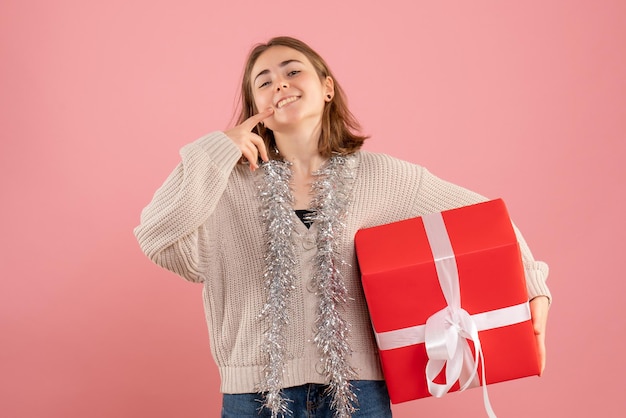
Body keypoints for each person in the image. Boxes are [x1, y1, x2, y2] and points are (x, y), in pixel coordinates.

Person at [134, 36, 551, 418]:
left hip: (359, 394)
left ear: (327, 88)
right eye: (264, 81)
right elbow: (156, 235)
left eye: (293, 70)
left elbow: (483, 218)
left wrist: (533, 286)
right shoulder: (222, 186)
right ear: (254, 108)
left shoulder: (382, 177)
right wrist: (216, 151)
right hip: (253, 398)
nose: (280, 83)